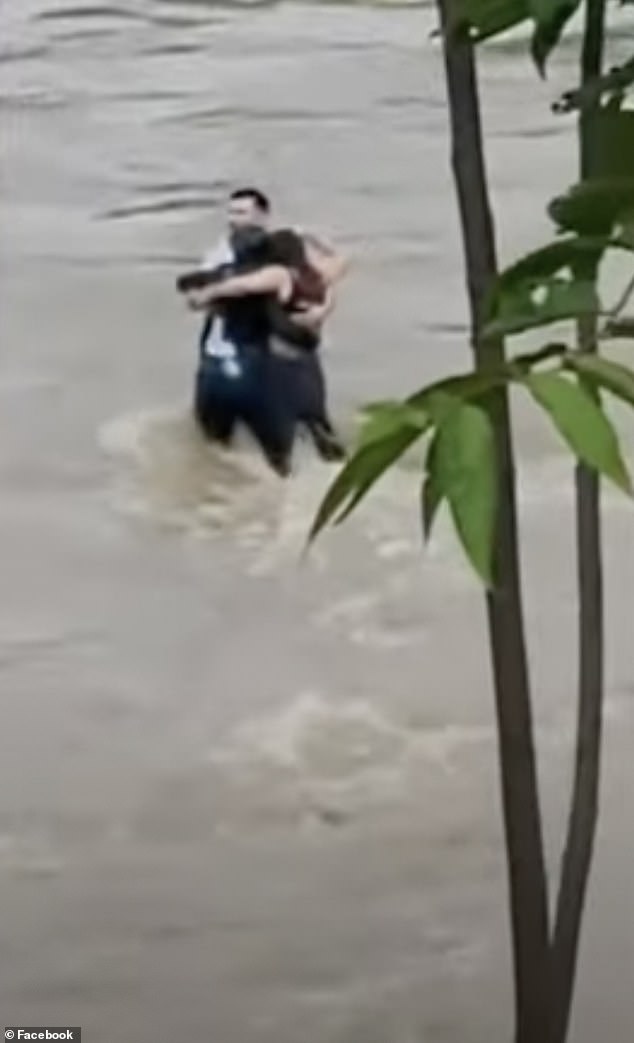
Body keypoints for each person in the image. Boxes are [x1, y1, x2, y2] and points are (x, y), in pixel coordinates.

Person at [200, 188, 347, 458]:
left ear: (263, 217)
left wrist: (207, 295)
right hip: (283, 356)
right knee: (314, 432)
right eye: (231, 213)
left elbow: (237, 288)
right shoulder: (225, 256)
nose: (233, 219)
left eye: (241, 213)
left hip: (266, 360)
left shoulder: (273, 267)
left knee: (240, 440)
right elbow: (336, 267)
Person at [180, 225, 301, 477]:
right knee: (277, 450)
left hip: (214, 370)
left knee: (214, 446)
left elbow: (189, 290)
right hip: (253, 366)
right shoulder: (276, 274)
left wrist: (206, 292)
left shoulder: (223, 275)